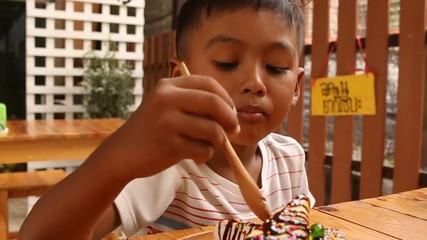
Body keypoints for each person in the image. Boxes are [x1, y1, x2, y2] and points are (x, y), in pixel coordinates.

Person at [19, 0, 314, 239]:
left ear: (297, 86)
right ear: (180, 76)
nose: (254, 82)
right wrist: (116, 160)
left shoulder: (290, 157)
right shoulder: (169, 167)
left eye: (276, 67)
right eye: (227, 62)